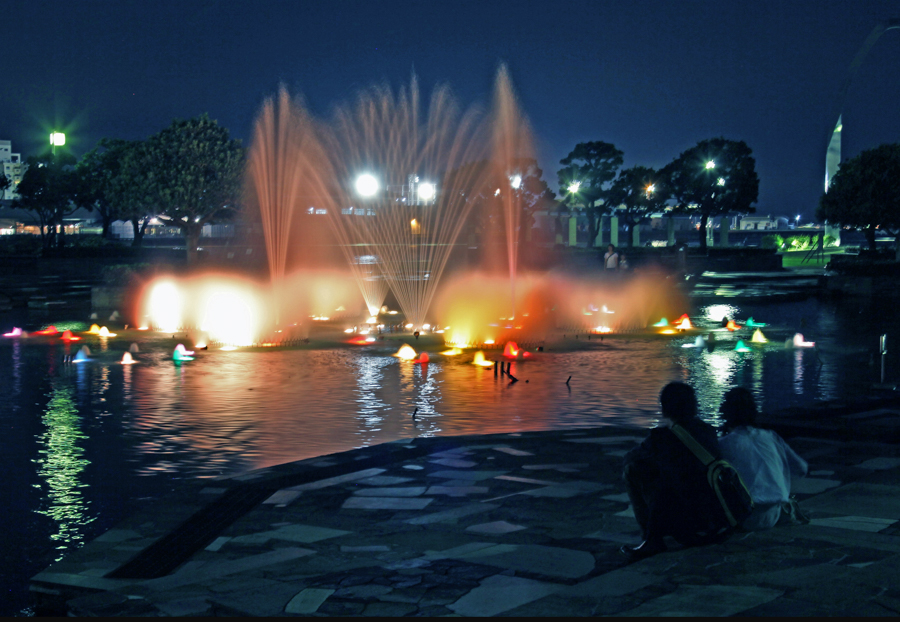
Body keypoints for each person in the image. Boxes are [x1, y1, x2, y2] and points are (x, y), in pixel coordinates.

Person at [622, 382, 729, 560]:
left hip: (686, 519)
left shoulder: (663, 438)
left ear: (664, 409)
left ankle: (651, 538)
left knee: (634, 469)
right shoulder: (708, 431)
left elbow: (629, 458)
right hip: (712, 518)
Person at [718, 387, 809, 530]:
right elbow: (802, 469)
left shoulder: (724, 444)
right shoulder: (770, 436)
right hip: (773, 514)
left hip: (742, 517)